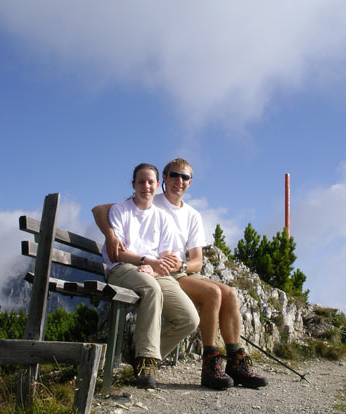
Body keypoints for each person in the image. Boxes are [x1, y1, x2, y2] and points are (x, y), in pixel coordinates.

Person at [93, 158, 268, 390]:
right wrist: (111, 235)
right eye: (174, 175)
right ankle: (209, 362)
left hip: (172, 270)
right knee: (213, 293)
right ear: (163, 180)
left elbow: (197, 261)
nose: (179, 181)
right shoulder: (149, 198)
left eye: (185, 177)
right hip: (149, 268)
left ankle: (236, 360)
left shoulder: (190, 215)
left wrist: (177, 266)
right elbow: (101, 210)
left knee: (230, 294)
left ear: (190, 182)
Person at [101, 163, 199, 388]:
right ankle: (146, 362)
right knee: (151, 289)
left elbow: (165, 254)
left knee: (189, 319)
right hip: (122, 269)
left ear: (158, 185)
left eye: (150, 182)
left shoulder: (162, 217)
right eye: (141, 182)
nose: (146, 186)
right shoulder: (121, 210)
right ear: (133, 185)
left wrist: (154, 267)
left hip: (153, 272)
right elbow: (118, 253)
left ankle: (141, 358)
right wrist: (145, 261)